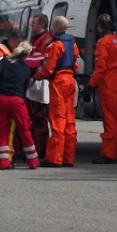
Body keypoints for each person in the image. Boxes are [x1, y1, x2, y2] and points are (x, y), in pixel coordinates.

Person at [0, 41, 39, 170]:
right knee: (24, 130)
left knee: (2, 130)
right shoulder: (26, 69)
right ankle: (32, 162)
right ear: (27, 54)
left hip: (2, 99)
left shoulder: (5, 61)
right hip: (17, 100)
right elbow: (25, 89)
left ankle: (3, 162)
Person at [33, 15, 79, 167]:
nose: (51, 29)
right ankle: (68, 157)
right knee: (69, 121)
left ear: (57, 27)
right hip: (70, 81)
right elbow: (76, 65)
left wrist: (34, 77)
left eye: (52, 26)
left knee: (58, 119)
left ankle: (54, 158)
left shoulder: (55, 45)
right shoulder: (72, 43)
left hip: (58, 82)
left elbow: (48, 69)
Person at [82, 14, 117, 164]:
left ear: (99, 26)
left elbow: (100, 67)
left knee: (109, 118)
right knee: (116, 117)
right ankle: (115, 148)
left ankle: (109, 153)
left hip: (108, 82)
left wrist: (90, 85)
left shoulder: (103, 43)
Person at [26, 14, 53, 155]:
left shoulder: (47, 39)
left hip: (41, 81)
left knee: (39, 116)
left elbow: (43, 61)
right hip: (32, 81)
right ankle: (33, 146)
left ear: (42, 24)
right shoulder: (33, 39)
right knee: (31, 116)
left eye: (34, 23)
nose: (32, 25)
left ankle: (42, 148)